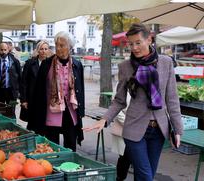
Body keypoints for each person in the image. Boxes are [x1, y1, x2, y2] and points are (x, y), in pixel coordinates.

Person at [83, 23, 183, 181]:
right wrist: (104, 119)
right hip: (134, 129)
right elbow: (119, 101)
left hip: (158, 131)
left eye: (138, 42)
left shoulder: (166, 62)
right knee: (146, 176)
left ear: (149, 39)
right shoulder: (126, 66)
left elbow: (172, 99)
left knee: (145, 174)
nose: (134, 48)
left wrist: (177, 129)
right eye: (131, 44)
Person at [28, 31, 85, 152]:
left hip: (70, 112)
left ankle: (70, 167)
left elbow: (81, 90)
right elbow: (38, 91)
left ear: (70, 47)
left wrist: (81, 110)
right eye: (56, 45)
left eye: (62, 45)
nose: (58, 48)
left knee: (70, 146)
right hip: (51, 112)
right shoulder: (46, 64)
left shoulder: (77, 65)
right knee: (51, 147)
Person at [19, 40, 52, 122]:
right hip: (32, 98)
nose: (43, 51)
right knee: (32, 123)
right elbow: (23, 83)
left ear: (48, 50)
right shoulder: (30, 63)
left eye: (45, 49)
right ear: (38, 50)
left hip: (46, 99)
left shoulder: (51, 64)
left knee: (45, 123)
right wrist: (23, 100)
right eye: (41, 49)